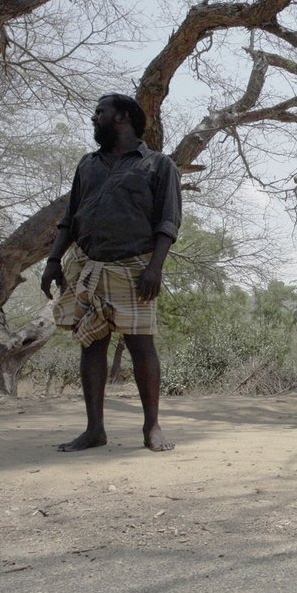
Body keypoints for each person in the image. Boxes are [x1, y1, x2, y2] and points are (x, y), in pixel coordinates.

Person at [40, 93, 182, 452]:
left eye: (100, 112)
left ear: (122, 116)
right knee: (91, 344)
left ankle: (152, 427)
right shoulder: (88, 165)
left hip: (135, 267)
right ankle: (94, 430)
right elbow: (70, 218)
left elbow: (168, 222)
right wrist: (53, 261)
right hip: (87, 265)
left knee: (141, 345)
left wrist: (155, 268)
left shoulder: (158, 165)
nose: (93, 118)